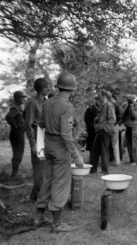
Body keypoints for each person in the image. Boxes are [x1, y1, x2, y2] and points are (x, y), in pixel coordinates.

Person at [35, 72, 84, 232]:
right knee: (60, 183)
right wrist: (76, 155)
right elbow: (65, 133)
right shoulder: (67, 106)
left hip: (48, 145)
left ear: (59, 86)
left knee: (47, 180)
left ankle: (39, 217)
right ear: (72, 89)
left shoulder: (48, 102)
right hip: (60, 147)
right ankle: (57, 224)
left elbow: (41, 123)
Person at [24, 78, 50, 201]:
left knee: (44, 169)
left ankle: (35, 196)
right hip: (37, 138)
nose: (49, 89)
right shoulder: (32, 103)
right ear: (41, 89)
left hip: (46, 138)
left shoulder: (47, 101)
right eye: (47, 87)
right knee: (39, 170)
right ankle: (40, 198)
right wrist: (33, 144)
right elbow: (28, 126)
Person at [89, 90, 116, 174]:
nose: (98, 98)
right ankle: (93, 169)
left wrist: (105, 129)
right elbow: (101, 118)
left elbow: (112, 119)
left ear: (104, 96)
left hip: (104, 131)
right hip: (99, 130)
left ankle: (105, 170)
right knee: (94, 151)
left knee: (104, 151)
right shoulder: (102, 106)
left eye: (100, 96)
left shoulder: (109, 105)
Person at [5, 91, 27, 178]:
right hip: (17, 134)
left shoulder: (19, 108)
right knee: (18, 153)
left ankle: (15, 172)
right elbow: (8, 117)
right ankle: (14, 174)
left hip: (20, 133)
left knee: (18, 153)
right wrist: (16, 126)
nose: (23, 99)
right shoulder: (15, 108)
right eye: (22, 97)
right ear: (17, 99)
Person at [121, 94, 137, 166]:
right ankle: (132, 160)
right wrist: (128, 106)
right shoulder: (127, 105)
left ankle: (136, 160)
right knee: (129, 145)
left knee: (135, 145)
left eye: (130, 100)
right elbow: (123, 114)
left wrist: (131, 106)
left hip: (135, 128)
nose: (129, 101)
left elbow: (135, 116)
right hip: (128, 127)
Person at [108, 94, 121, 165]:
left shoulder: (107, 104)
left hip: (109, 125)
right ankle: (117, 161)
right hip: (115, 125)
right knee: (115, 144)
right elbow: (120, 114)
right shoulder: (116, 104)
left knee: (108, 144)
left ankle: (110, 160)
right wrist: (117, 122)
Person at [84, 95, 98, 161]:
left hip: (99, 130)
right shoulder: (90, 109)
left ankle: (97, 159)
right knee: (91, 145)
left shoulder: (102, 108)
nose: (97, 101)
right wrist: (92, 126)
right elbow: (86, 119)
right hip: (91, 130)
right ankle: (92, 159)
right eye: (96, 99)